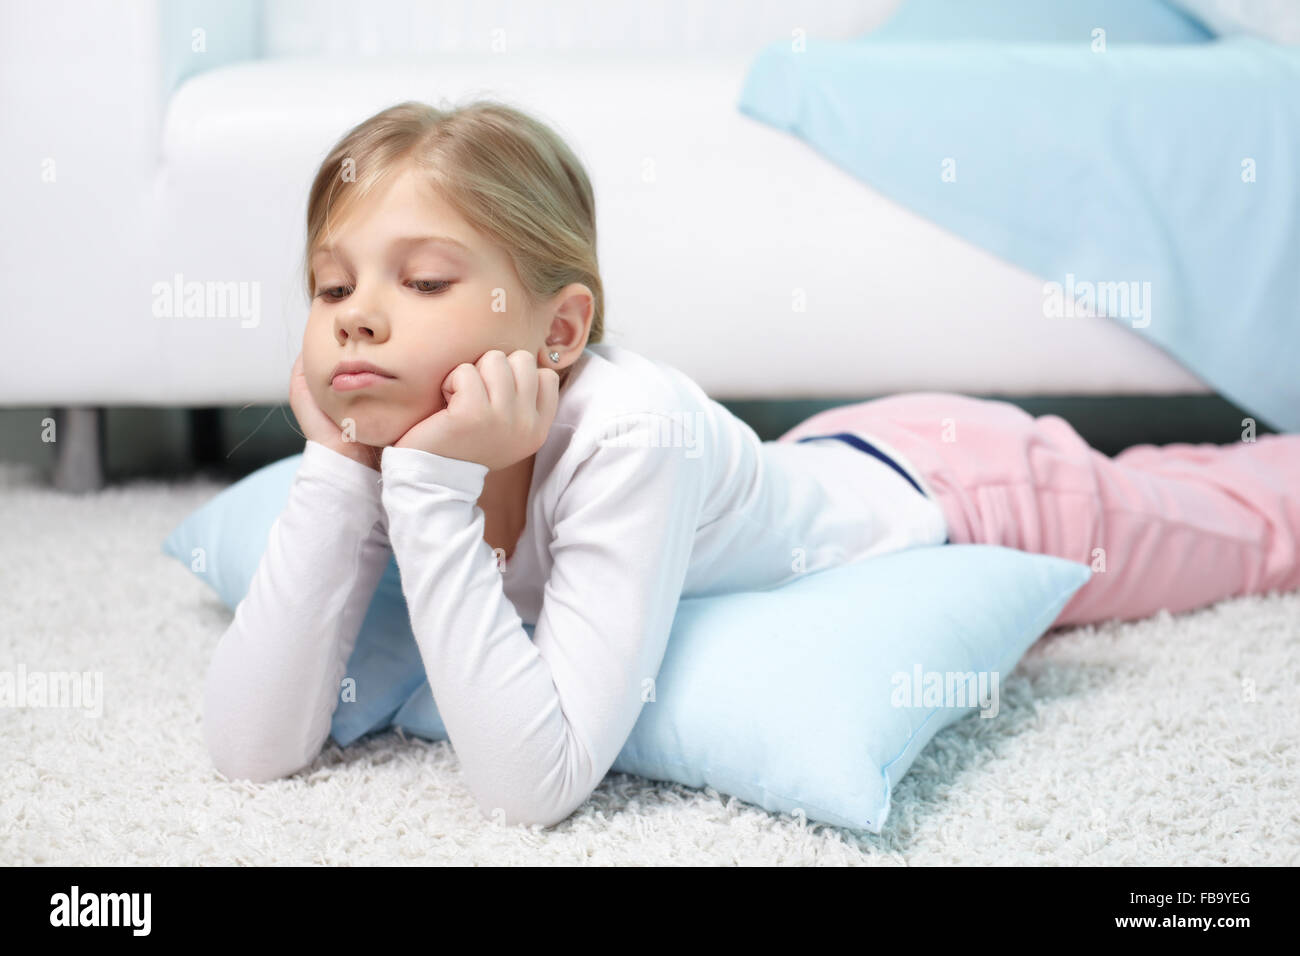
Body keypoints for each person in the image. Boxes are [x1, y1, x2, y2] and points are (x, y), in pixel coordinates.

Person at [202, 99, 1300, 829]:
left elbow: (532, 788)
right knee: (1184, 473)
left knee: (1250, 525)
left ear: (556, 330)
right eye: (331, 286)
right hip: (834, 453)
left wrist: (431, 495)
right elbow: (250, 749)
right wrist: (337, 469)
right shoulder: (392, 443)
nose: (355, 320)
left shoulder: (626, 430)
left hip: (974, 489)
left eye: (425, 280)